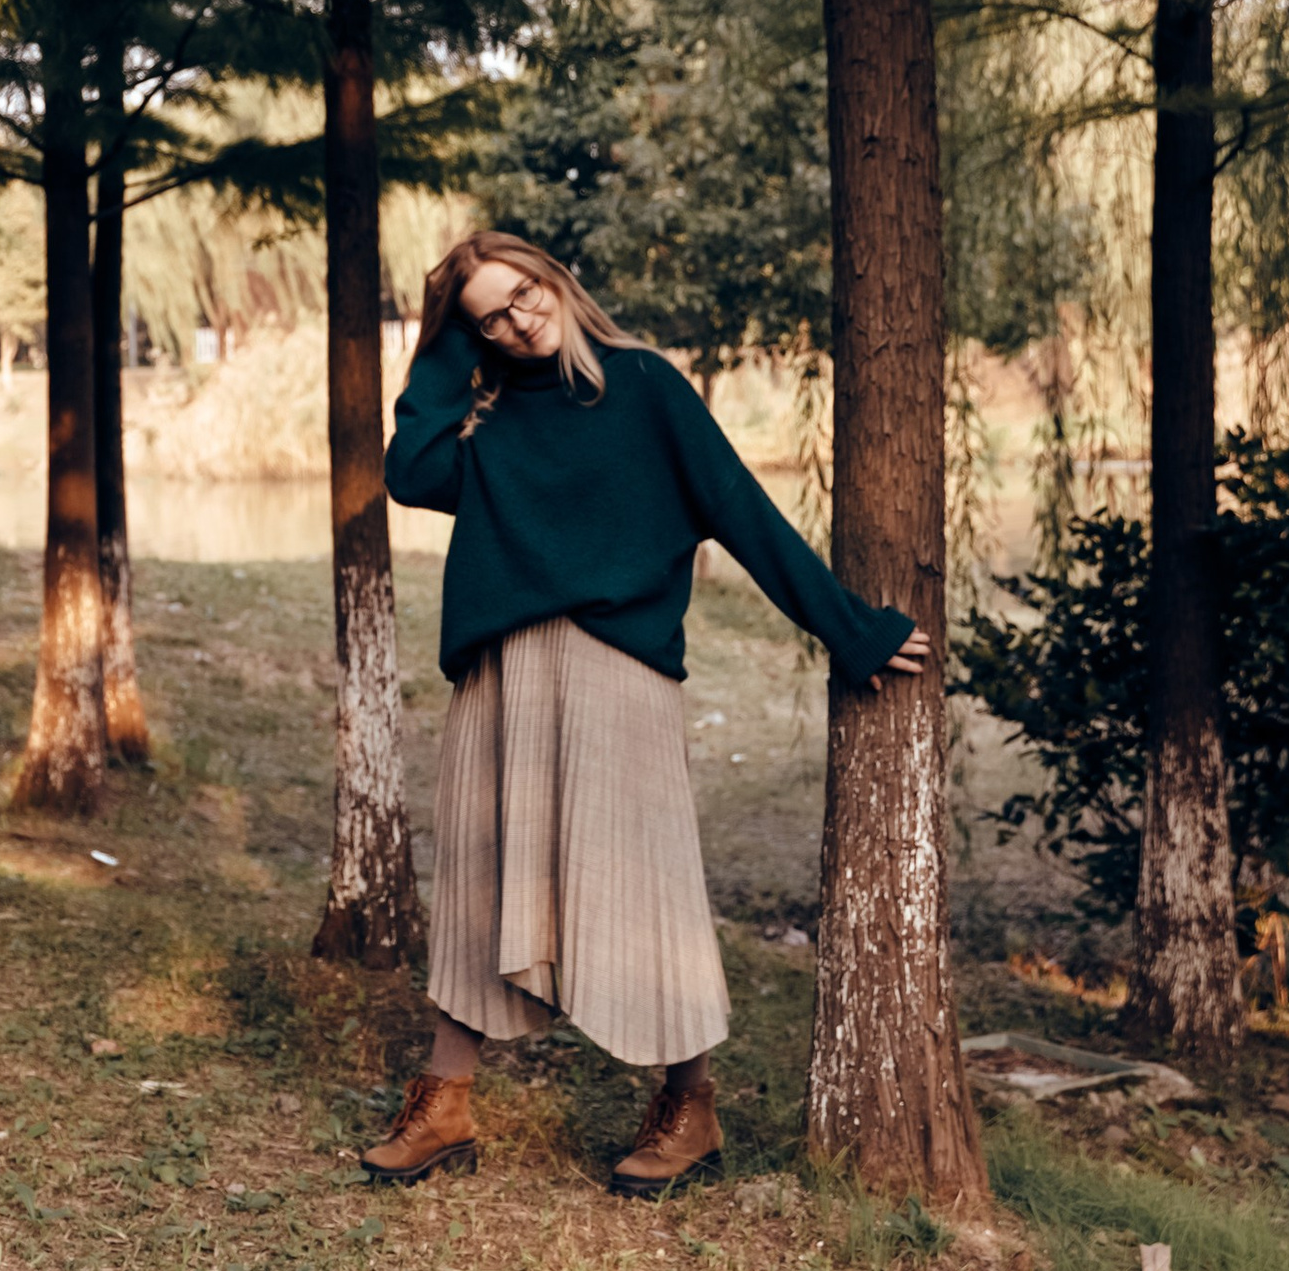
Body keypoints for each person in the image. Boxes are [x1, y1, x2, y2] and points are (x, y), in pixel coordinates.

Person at [374, 232, 929, 1196]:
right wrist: (449, 344)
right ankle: (447, 1102)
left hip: (616, 669)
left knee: (647, 885)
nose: (519, 320)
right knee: (478, 879)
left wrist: (850, 629)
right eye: (492, 317)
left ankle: (691, 1107)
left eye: (525, 294)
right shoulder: (488, 411)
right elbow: (411, 472)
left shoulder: (644, 389)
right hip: (501, 671)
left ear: (555, 277)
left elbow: (745, 514)